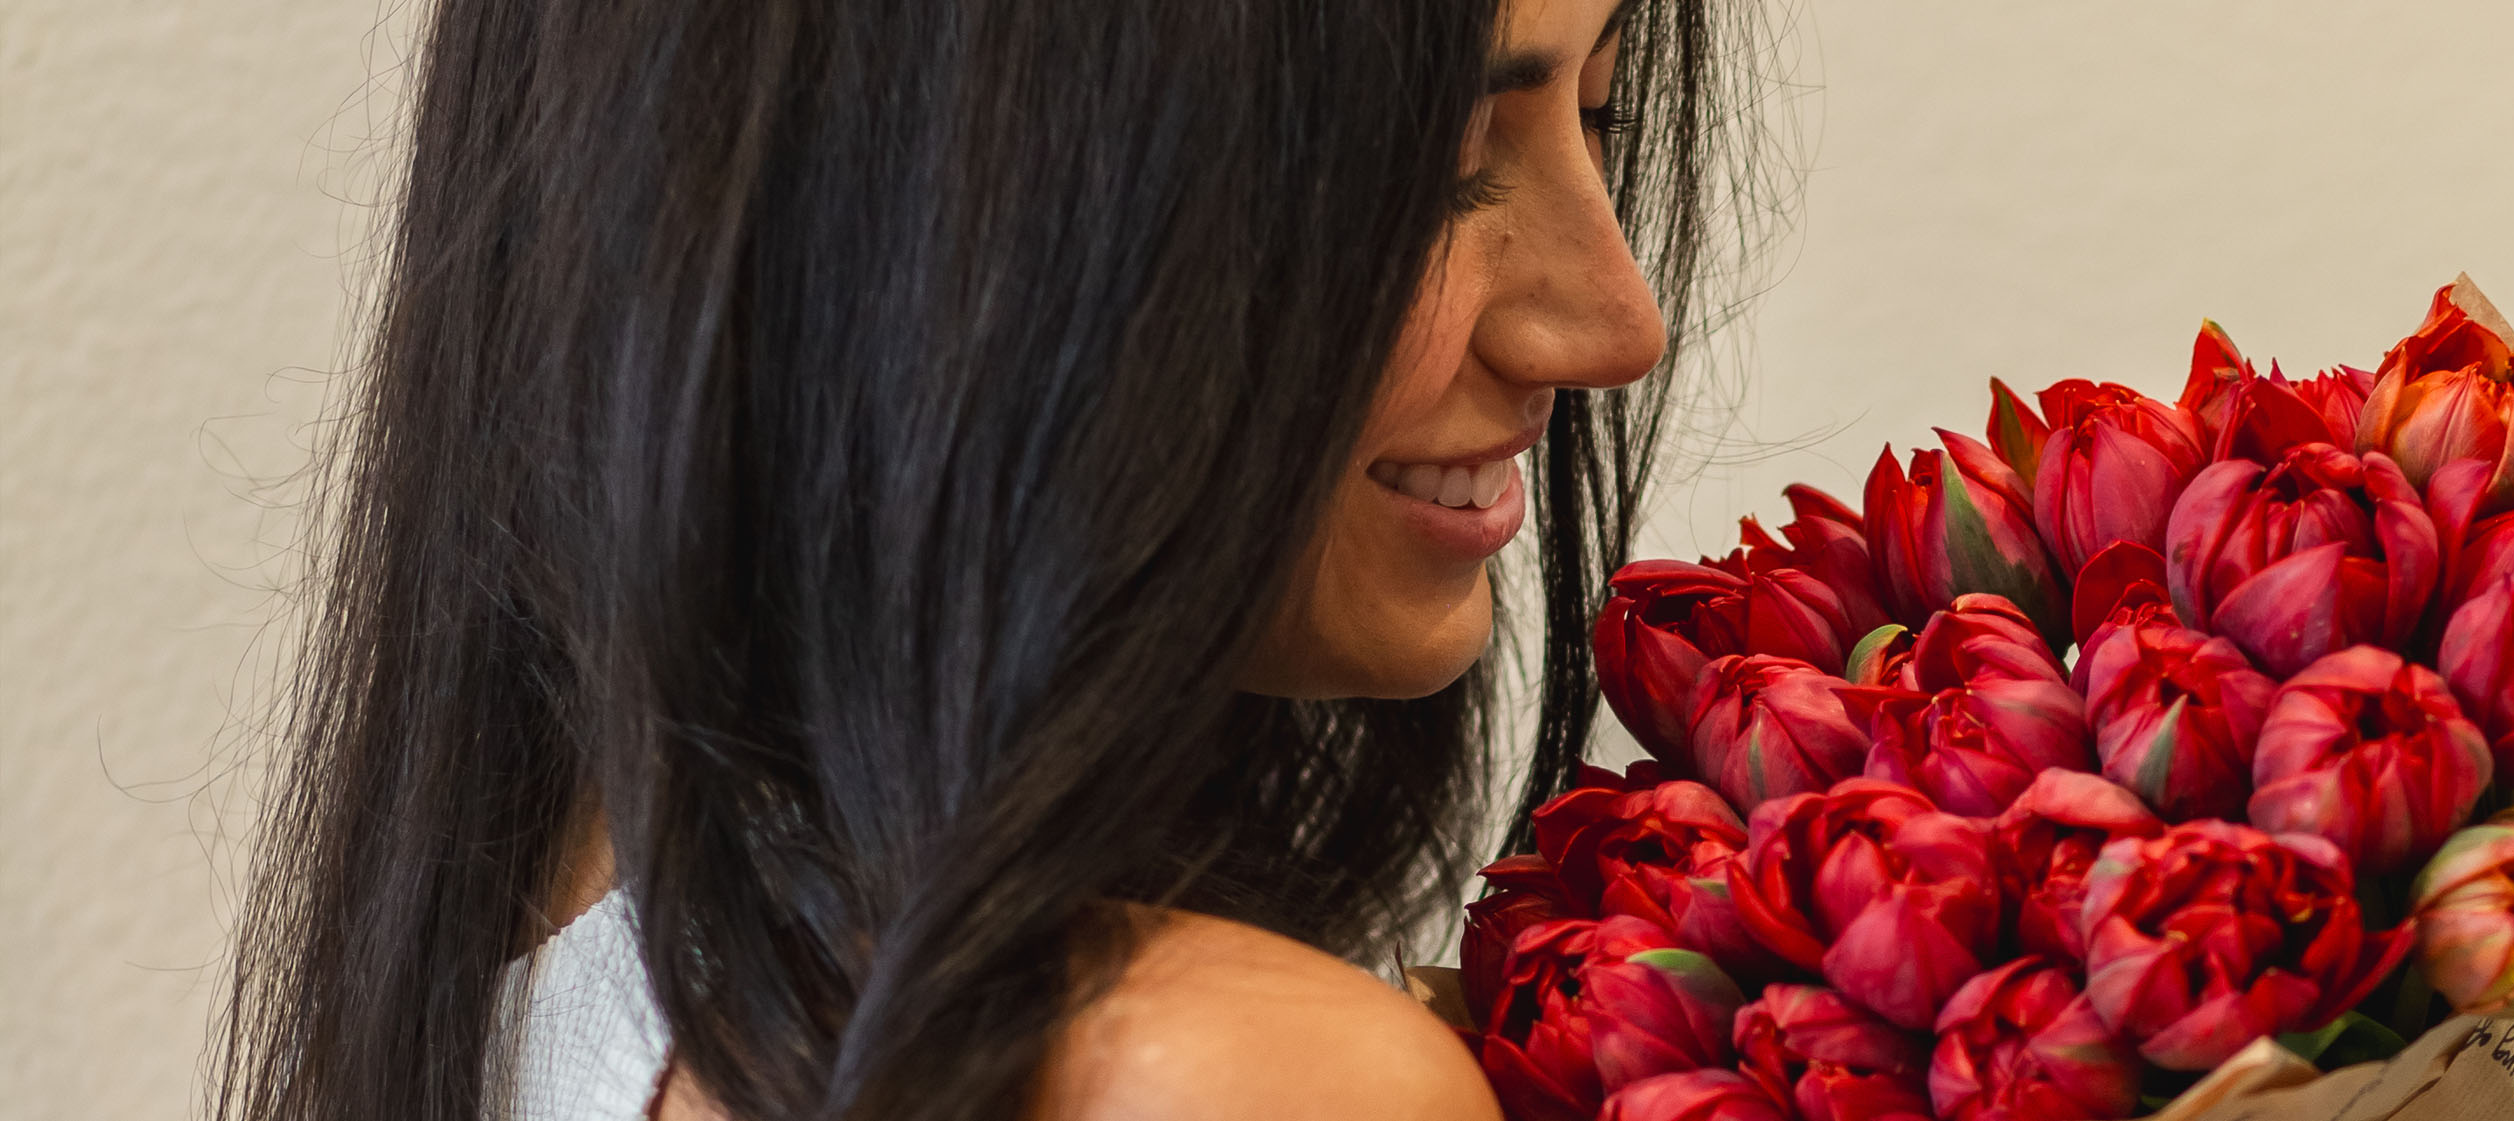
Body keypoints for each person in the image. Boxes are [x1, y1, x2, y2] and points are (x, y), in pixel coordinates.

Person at [209, 0, 1753, 1117]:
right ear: (956, 195)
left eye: (1599, 113)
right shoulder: (1222, 1080)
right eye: (1433, 155)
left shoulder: (531, 975)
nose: (1616, 323)